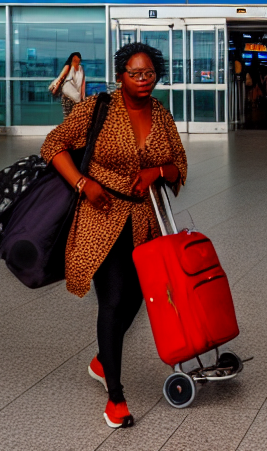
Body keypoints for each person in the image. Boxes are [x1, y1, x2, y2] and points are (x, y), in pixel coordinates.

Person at [43, 42, 189, 429]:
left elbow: (179, 166)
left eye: (149, 74)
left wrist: (156, 173)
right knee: (114, 297)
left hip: (145, 221)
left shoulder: (161, 115)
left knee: (138, 298)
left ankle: (102, 359)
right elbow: (53, 145)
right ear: (119, 75)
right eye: (134, 74)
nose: (143, 81)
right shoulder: (98, 109)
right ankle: (116, 397)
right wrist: (81, 183)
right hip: (101, 216)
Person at [50, 52, 86, 116]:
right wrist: (55, 87)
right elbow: (61, 77)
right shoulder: (68, 66)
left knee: (75, 116)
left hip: (77, 95)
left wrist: (83, 98)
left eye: (78, 59)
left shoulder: (81, 69)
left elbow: (83, 83)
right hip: (67, 95)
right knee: (68, 115)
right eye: (74, 59)